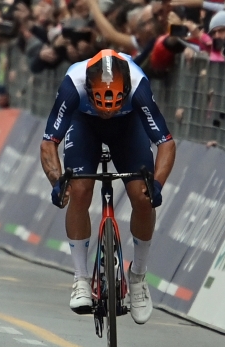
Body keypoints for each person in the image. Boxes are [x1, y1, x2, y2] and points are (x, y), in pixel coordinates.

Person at [40, 49, 176, 324]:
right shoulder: (72, 85)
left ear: (124, 91)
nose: (106, 111)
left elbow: (166, 142)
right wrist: (57, 181)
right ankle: (80, 278)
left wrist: (157, 185)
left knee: (142, 195)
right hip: (83, 125)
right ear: (89, 90)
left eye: (113, 103)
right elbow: (49, 142)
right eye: (100, 103)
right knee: (78, 190)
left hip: (128, 127)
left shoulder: (138, 86)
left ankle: (137, 276)